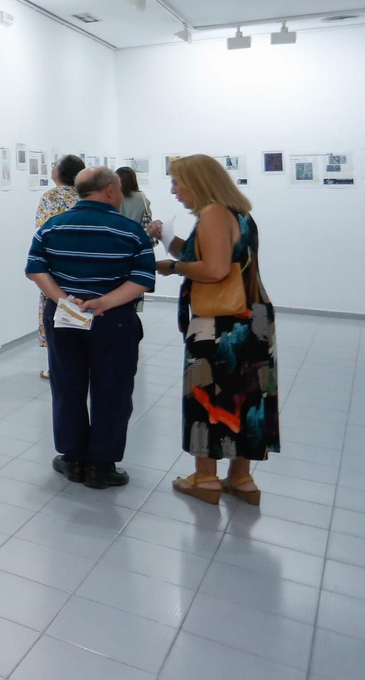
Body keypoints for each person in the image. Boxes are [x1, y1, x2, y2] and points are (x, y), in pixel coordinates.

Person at [152, 155, 279, 506]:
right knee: (248, 397)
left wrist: (173, 266)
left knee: (205, 397)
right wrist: (169, 240)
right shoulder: (237, 214)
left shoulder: (212, 214)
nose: (174, 191)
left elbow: (215, 269)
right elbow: (217, 256)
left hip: (220, 323)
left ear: (199, 183)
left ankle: (205, 479)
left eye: (177, 183)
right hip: (252, 315)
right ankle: (242, 480)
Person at [26, 167, 155, 489]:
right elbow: (143, 279)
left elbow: (35, 268)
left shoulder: (52, 227)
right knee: (112, 390)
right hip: (114, 321)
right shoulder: (130, 231)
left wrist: (64, 299)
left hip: (65, 319)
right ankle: (102, 465)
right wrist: (106, 302)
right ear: (111, 190)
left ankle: (72, 460)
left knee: (67, 388)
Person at [33, 155, 85, 380]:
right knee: (82, 313)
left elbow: (43, 231)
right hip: (84, 266)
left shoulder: (51, 197)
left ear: (61, 173)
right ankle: (83, 364)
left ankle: (59, 367)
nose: (51, 168)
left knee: (57, 313)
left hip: (56, 269)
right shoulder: (84, 196)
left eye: (55, 165)